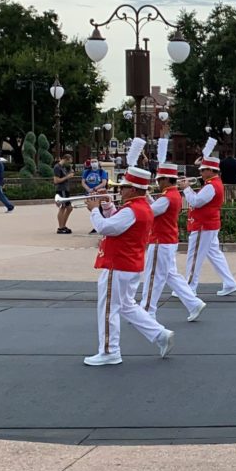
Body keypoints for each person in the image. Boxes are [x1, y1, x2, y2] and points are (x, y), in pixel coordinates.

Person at [82, 152, 175, 366]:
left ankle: (109, 351)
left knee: (108, 308)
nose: (119, 190)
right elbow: (120, 223)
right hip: (130, 264)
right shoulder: (140, 207)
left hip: (119, 263)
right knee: (126, 305)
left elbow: (107, 227)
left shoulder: (133, 209)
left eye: (122, 187)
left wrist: (95, 210)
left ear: (132, 189)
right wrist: (106, 206)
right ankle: (160, 334)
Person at [139, 158, 206, 322]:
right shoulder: (171, 195)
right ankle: (193, 303)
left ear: (166, 179)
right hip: (167, 240)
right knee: (171, 275)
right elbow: (157, 208)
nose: (158, 182)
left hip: (160, 241)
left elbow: (149, 213)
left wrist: (138, 199)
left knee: (153, 276)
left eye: (159, 179)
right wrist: (146, 196)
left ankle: (147, 311)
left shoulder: (167, 197)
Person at [182, 141, 236, 297]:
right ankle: (230, 283)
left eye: (203, 170)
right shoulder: (212, 183)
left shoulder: (211, 186)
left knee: (194, 256)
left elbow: (196, 202)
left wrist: (186, 189)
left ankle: (189, 287)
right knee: (214, 255)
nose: (200, 173)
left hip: (203, 225)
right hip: (208, 224)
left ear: (210, 170)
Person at [82, 160, 110, 234]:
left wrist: (95, 189)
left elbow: (104, 182)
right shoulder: (86, 172)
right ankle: (97, 225)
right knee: (92, 209)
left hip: (99, 192)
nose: (93, 163)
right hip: (90, 193)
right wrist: (88, 189)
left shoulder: (101, 171)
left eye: (95, 161)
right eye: (92, 161)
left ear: (98, 163)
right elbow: (83, 182)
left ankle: (99, 226)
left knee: (100, 209)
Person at [53, 154, 75, 234]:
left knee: (69, 208)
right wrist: (67, 177)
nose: (69, 164)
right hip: (61, 189)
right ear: (66, 159)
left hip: (65, 189)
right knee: (63, 207)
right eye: (69, 162)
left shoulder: (63, 167)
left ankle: (63, 225)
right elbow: (56, 180)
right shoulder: (57, 167)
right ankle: (61, 227)